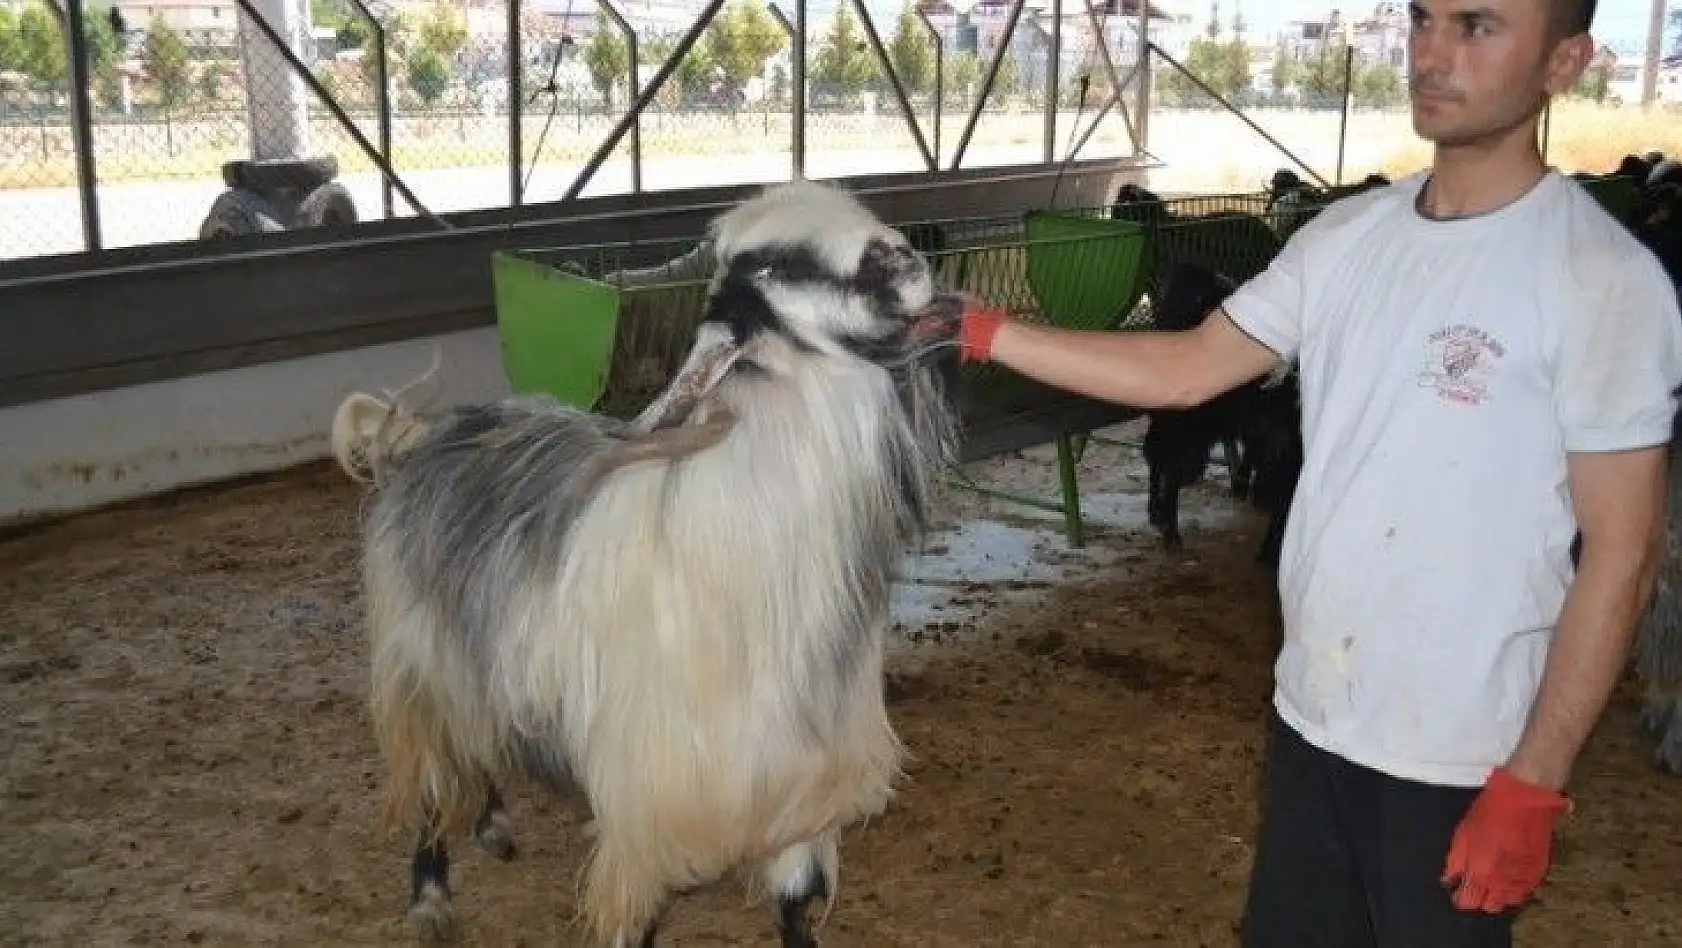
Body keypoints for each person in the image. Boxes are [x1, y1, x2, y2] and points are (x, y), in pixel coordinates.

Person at [942, 0, 1682, 944]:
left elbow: (1623, 551)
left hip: (1458, 757)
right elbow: (1189, 366)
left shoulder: (1600, 277)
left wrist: (1534, 782)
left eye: (1477, 26)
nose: (1432, 53)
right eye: (1422, 21)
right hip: (1312, 717)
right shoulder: (1347, 237)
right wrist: (987, 329)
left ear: (1563, 61)